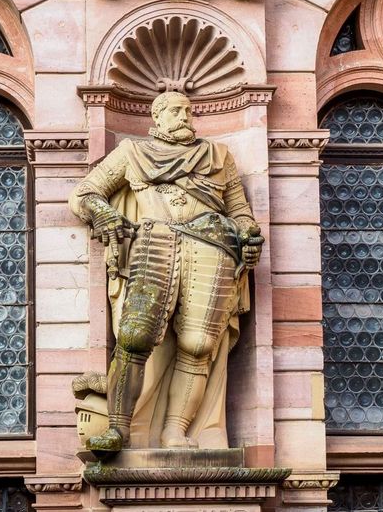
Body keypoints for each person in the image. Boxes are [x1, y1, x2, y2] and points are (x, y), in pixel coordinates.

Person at [69, 91, 263, 453]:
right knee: (134, 337)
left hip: (212, 249)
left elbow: (239, 211)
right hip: (155, 242)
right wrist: (105, 213)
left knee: (199, 345)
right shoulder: (132, 153)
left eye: (188, 111)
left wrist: (249, 234)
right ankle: (118, 429)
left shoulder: (218, 156)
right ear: (156, 117)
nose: (184, 116)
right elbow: (84, 194)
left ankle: (176, 431)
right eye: (175, 111)